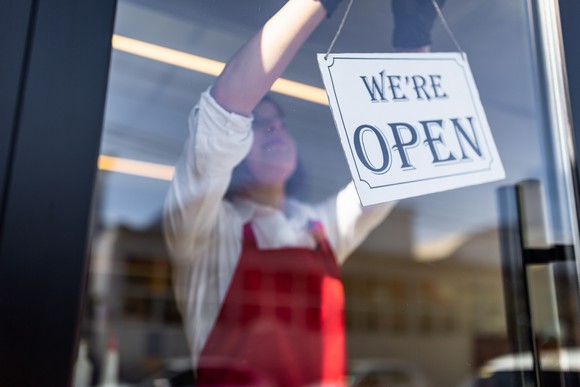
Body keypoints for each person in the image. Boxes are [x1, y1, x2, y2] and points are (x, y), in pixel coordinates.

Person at [163, 0, 445, 385]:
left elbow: (399, 165)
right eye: (258, 124)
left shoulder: (315, 228)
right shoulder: (205, 231)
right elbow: (225, 108)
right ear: (236, 149)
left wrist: (416, 36)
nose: (274, 129)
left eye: (279, 123)